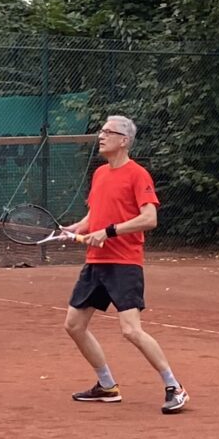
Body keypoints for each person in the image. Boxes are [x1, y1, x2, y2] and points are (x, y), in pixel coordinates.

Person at [62, 115, 187, 413]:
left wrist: (108, 232)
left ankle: (175, 387)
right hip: (96, 262)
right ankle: (107, 385)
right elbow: (95, 214)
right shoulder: (99, 174)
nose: (101, 136)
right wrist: (78, 227)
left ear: (124, 141)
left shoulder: (138, 175)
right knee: (74, 325)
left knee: (131, 330)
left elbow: (149, 218)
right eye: (101, 131)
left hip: (124, 263)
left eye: (108, 132)